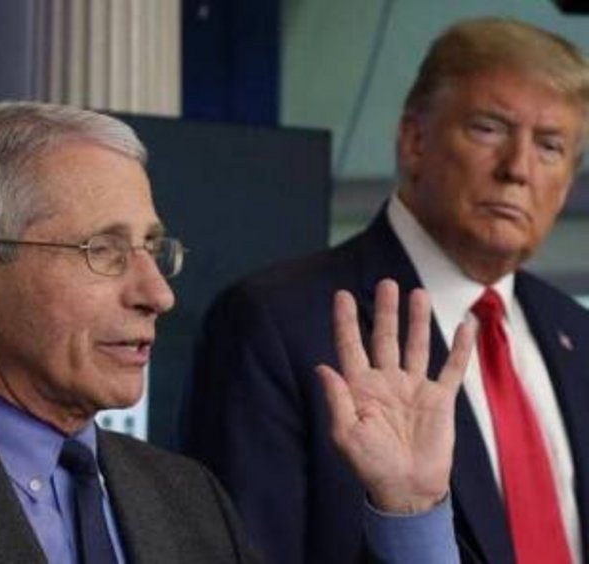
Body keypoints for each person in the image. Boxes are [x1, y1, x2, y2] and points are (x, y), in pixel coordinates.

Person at [0, 102, 471, 563]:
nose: (158, 294)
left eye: (152, 248)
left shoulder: (188, 498)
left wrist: (409, 512)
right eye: (104, 251)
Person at [181, 17, 589, 564]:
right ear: (414, 140)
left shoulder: (577, 333)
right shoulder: (276, 322)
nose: (517, 168)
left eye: (549, 146)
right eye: (489, 129)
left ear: (566, 183)